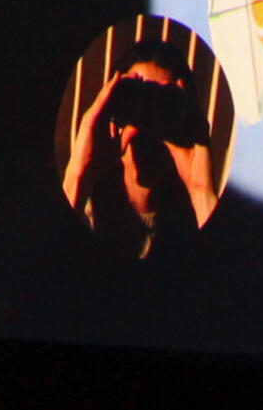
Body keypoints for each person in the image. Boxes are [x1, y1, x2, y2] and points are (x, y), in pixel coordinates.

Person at [61, 41, 218, 259]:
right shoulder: (85, 210)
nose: (146, 128)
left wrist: (200, 190)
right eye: (131, 100)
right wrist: (80, 175)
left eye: (166, 107)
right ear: (111, 113)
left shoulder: (198, 216)